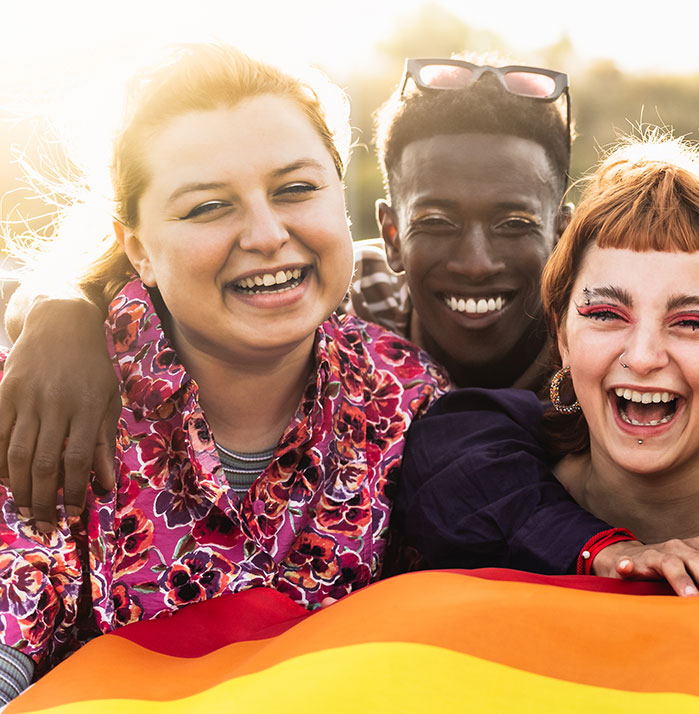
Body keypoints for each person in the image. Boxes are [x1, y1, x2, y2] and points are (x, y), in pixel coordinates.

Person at [0, 44, 445, 701]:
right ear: (140, 250)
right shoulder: (45, 399)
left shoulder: (405, 392)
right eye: (209, 207)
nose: (267, 234)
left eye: (296, 189)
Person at [392, 136, 699, 593]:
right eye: (605, 315)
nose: (643, 357)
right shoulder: (488, 488)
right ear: (562, 338)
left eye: (693, 322)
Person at [353, 55, 573, 392]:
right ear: (392, 237)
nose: (476, 265)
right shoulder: (345, 308)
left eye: (514, 224)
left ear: (561, 238)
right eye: (437, 222)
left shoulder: (606, 343)